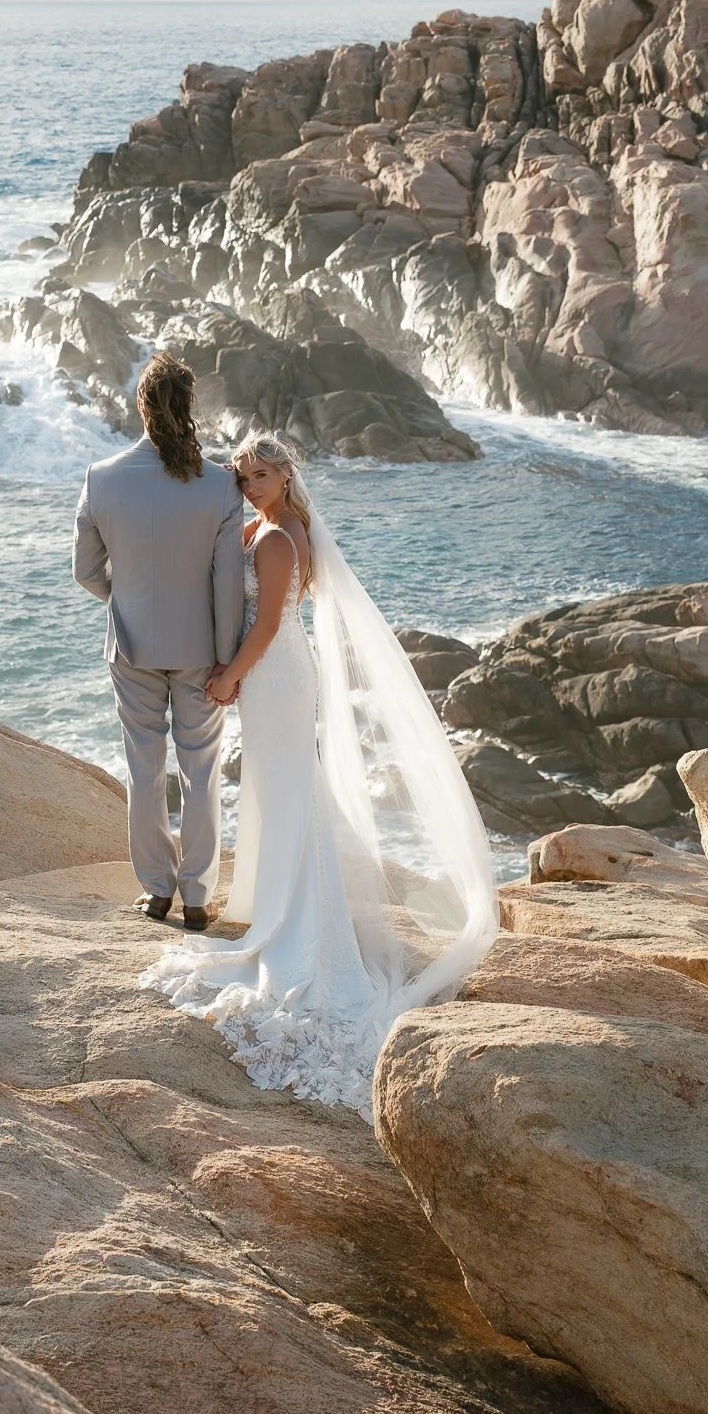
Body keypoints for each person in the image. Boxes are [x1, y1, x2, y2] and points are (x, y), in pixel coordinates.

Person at [140, 432, 497, 1120]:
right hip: (274, 672)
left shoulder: (275, 540)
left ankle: (291, 927)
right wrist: (225, 480)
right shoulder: (276, 522)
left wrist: (226, 675)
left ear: (285, 475)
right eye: (241, 474)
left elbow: (269, 620)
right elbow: (229, 534)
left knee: (285, 794)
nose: (248, 483)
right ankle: (279, 906)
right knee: (280, 795)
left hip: (273, 672)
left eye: (261, 474)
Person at [72, 353, 244, 928]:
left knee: (144, 770)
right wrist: (227, 661)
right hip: (202, 653)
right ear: (189, 407)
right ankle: (197, 896)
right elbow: (226, 584)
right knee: (202, 771)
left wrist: (126, 602)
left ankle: (155, 891)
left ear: (140, 407)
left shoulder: (101, 477)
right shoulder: (221, 485)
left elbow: (86, 573)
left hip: (131, 645)